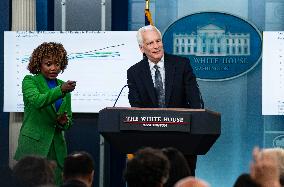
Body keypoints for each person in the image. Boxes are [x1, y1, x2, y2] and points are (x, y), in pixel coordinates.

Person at [127, 25, 204, 175]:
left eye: (158, 41)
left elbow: (196, 101)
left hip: (182, 143)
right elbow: (136, 106)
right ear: (141, 48)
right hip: (150, 144)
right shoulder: (134, 72)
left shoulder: (182, 65)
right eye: (150, 43)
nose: (156, 46)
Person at [14, 42, 76, 186]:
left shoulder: (63, 85)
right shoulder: (30, 81)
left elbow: (69, 121)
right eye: (48, 64)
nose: (54, 68)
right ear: (39, 64)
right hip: (34, 147)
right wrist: (61, 90)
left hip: (56, 149)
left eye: (57, 64)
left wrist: (63, 123)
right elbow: (37, 101)